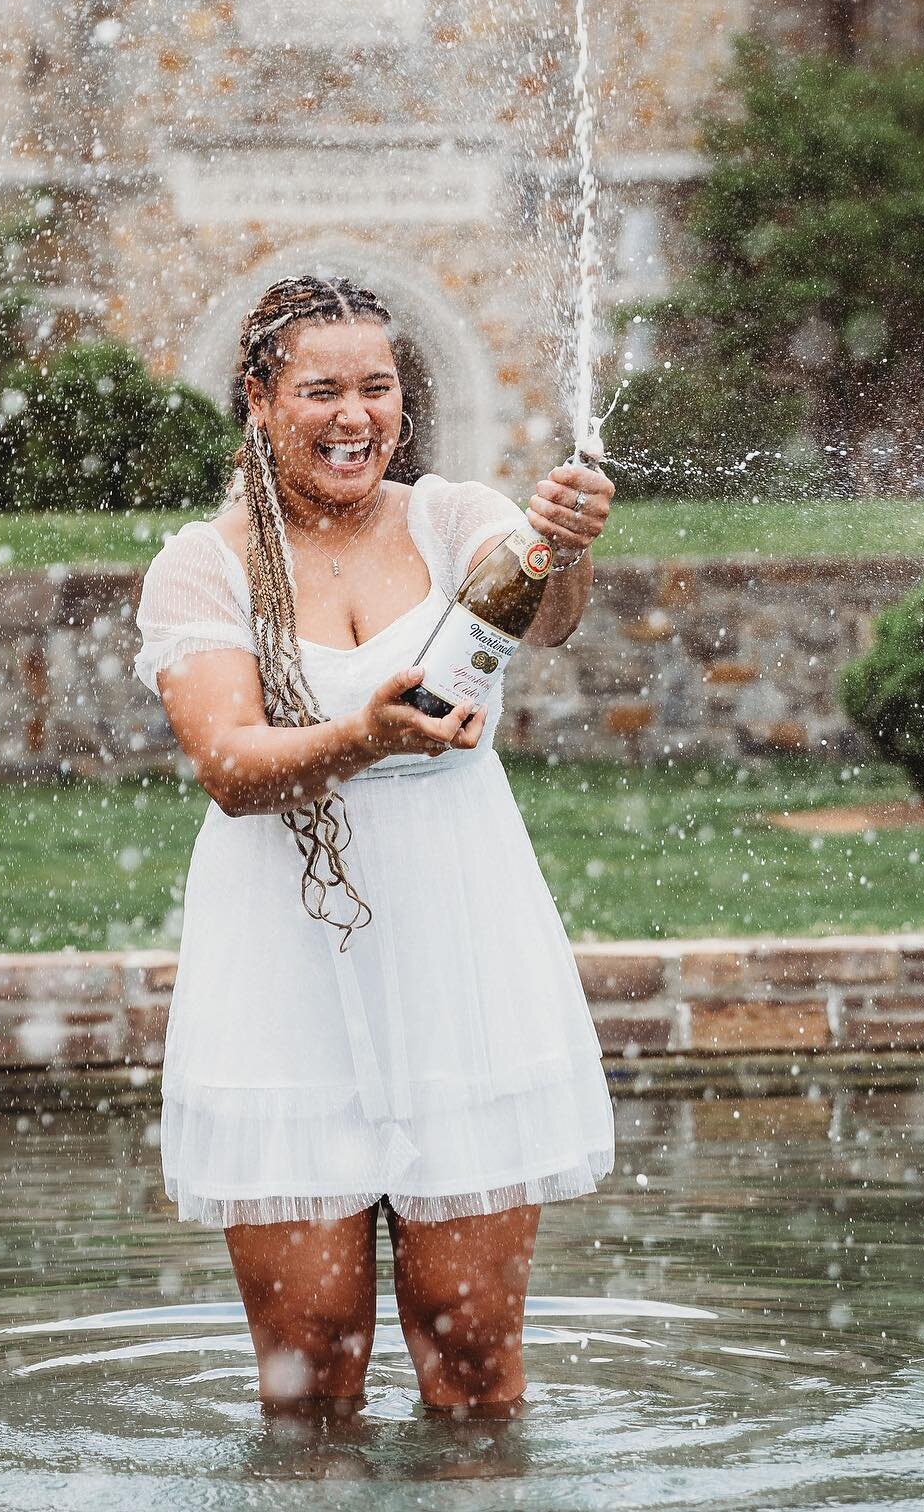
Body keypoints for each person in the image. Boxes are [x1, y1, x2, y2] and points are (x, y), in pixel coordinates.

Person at [132, 274, 616, 1417]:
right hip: (282, 965)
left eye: (379, 388)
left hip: (460, 944)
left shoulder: (455, 518)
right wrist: (359, 736)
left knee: (477, 1370)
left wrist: (564, 545)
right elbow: (229, 765)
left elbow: (547, 612)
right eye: (322, 391)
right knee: (310, 1378)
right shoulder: (204, 566)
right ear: (258, 400)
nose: (356, 416)